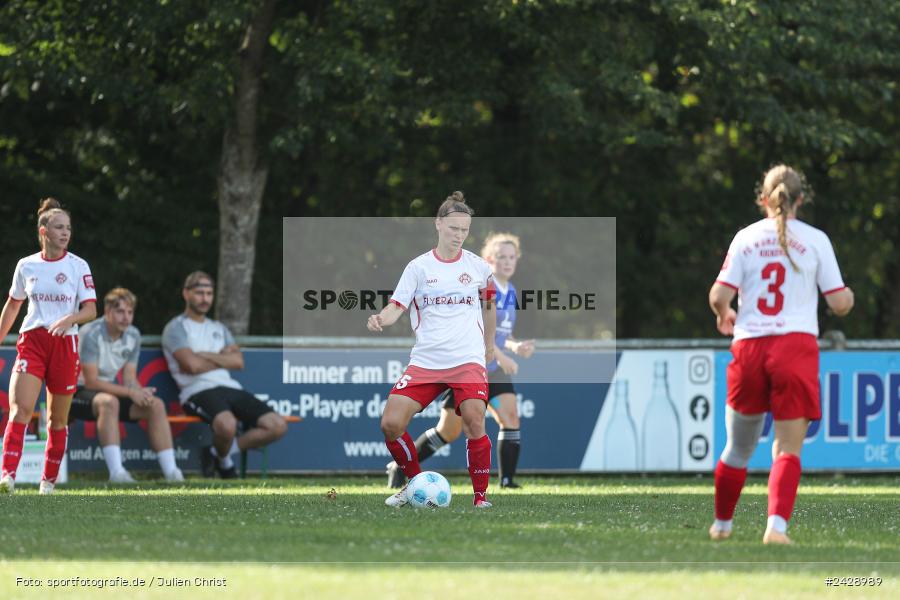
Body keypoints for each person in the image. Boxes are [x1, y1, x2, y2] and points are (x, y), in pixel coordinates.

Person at [708, 164, 854, 544]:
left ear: (763, 199)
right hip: (795, 347)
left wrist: (725, 315)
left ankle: (722, 526)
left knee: (737, 448)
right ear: (799, 200)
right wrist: (849, 297)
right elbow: (838, 302)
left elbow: (719, 295)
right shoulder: (816, 239)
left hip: (750, 346)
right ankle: (776, 528)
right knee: (787, 447)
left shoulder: (745, 238)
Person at [368, 191, 497, 508]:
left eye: (465, 230)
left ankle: (480, 498)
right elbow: (396, 306)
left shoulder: (478, 267)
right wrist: (380, 318)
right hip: (426, 361)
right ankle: (413, 484)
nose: (459, 235)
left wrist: (489, 346)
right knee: (390, 424)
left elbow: (491, 305)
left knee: (474, 420)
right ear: (439, 224)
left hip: (467, 359)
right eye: (454, 228)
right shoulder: (418, 268)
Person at [387, 232, 535, 489]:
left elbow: (502, 333)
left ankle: (507, 480)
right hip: (468, 366)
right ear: (488, 259)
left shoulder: (509, 290)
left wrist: (514, 346)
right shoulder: (476, 285)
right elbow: (475, 328)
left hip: (494, 370)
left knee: (511, 417)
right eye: (501, 257)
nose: (507, 262)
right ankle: (399, 467)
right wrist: (500, 355)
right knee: (449, 431)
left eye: (512, 257)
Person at [0, 198, 98, 495]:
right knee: (21, 410)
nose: (65, 233)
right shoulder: (26, 265)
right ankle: (7, 477)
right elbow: (14, 305)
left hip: (65, 345)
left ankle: (48, 482)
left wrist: (71, 317)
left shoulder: (78, 265)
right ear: (43, 231)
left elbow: (91, 309)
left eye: (68, 227)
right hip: (33, 341)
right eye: (58, 227)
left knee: (58, 418)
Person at [162, 271, 287, 478]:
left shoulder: (219, 328)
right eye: (199, 293)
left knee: (277, 426)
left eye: (209, 293)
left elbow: (238, 362)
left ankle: (216, 454)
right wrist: (221, 359)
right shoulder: (175, 328)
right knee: (227, 425)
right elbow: (191, 366)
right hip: (196, 390)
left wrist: (205, 356)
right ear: (186, 294)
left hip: (229, 387)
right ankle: (225, 464)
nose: (205, 299)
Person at [70, 287, 184, 482]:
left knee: (155, 405)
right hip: (75, 393)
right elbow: (91, 382)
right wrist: (131, 392)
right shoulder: (91, 333)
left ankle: (173, 473)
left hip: (106, 392)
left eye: (130, 312)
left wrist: (141, 392)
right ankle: (117, 473)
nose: (126, 317)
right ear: (107, 312)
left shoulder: (133, 335)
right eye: (120, 311)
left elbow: (130, 378)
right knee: (109, 402)